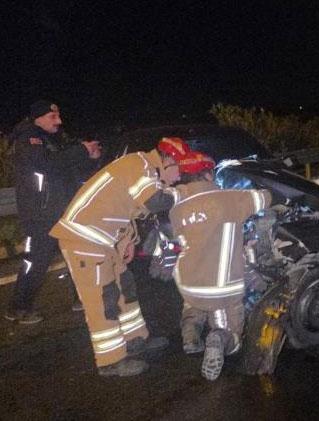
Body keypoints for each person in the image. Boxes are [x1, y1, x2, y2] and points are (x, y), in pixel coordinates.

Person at [50, 137, 191, 377]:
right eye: (180, 170)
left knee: (125, 288)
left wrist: (129, 241)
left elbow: (127, 208)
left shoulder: (144, 170)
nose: (179, 177)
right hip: (85, 239)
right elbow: (154, 202)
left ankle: (136, 339)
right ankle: (110, 360)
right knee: (102, 299)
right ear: (169, 161)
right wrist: (182, 193)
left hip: (106, 240)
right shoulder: (141, 164)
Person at [168, 151, 270, 380]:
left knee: (194, 303)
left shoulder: (176, 209)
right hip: (222, 289)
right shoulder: (230, 199)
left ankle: (190, 336)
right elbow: (266, 197)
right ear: (208, 174)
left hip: (188, 284)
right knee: (231, 332)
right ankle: (220, 339)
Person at [4, 100, 101, 324]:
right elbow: (47, 164)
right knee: (36, 261)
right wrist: (81, 150)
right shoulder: (29, 139)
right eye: (53, 117)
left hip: (61, 211)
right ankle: (18, 307)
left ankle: (82, 298)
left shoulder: (53, 140)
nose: (59, 121)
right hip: (40, 216)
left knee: (76, 255)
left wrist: (90, 158)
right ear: (38, 118)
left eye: (58, 116)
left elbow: (67, 170)